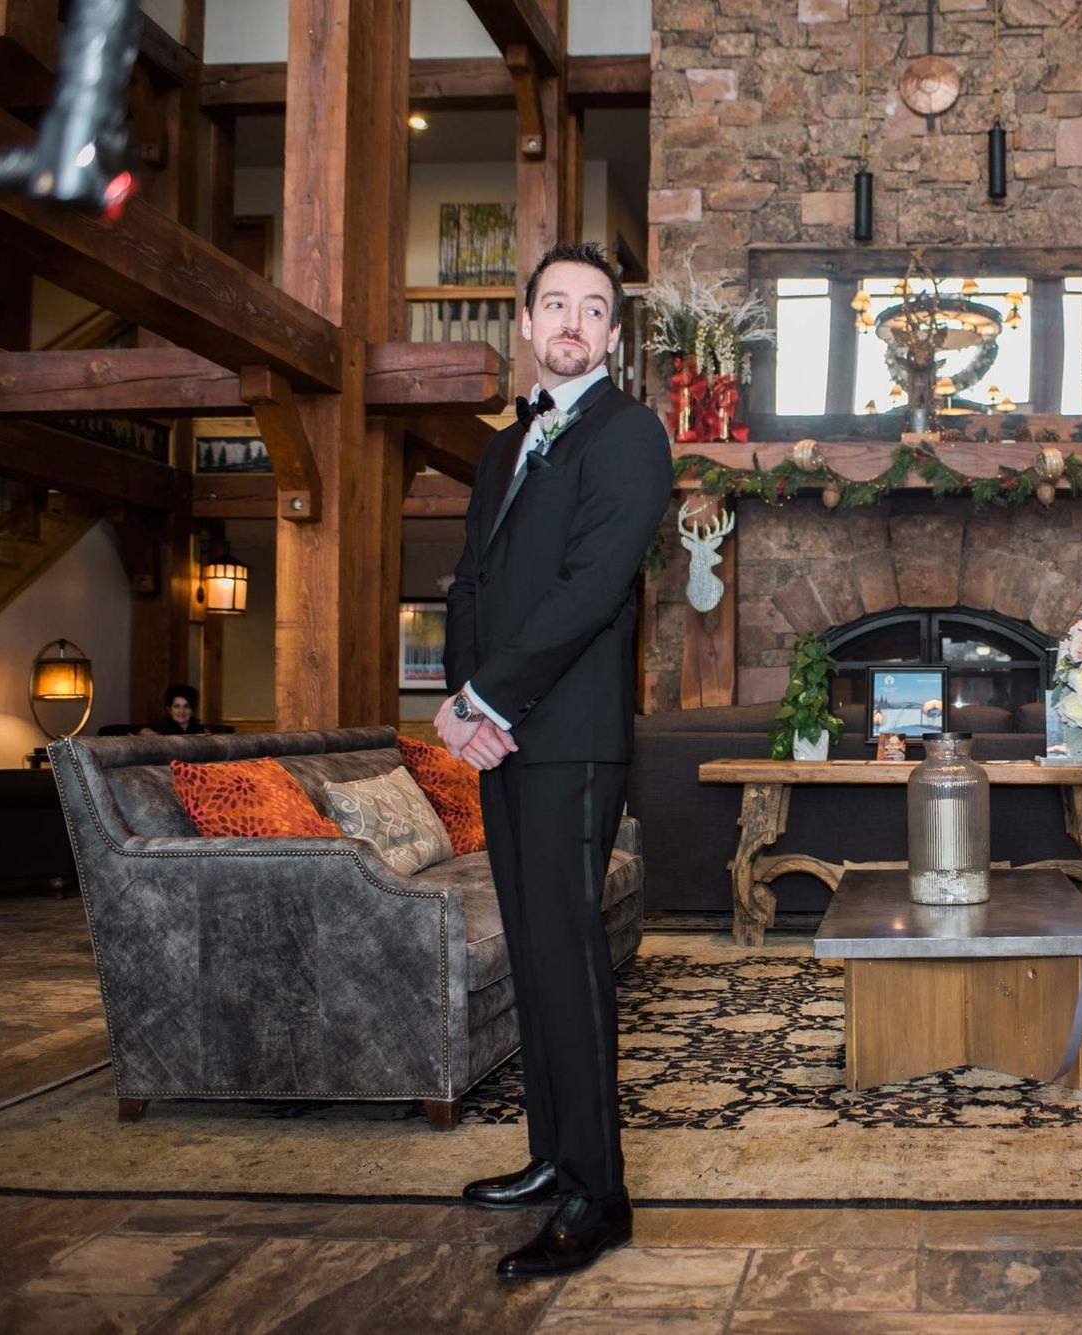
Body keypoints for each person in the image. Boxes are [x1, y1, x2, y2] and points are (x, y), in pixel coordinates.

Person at [434, 241, 672, 1280]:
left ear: (613, 336)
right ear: (526, 325)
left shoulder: (629, 435)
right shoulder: (501, 449)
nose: (572, 322)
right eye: (555, 306)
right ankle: (548, 1157)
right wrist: (460, 704)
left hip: (569, 739)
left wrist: (492, 696)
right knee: (531, 956)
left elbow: (590, 588)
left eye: (593, 309)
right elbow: (470, 586)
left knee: (569, 965)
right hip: (500, 737)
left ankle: (597, 1195)